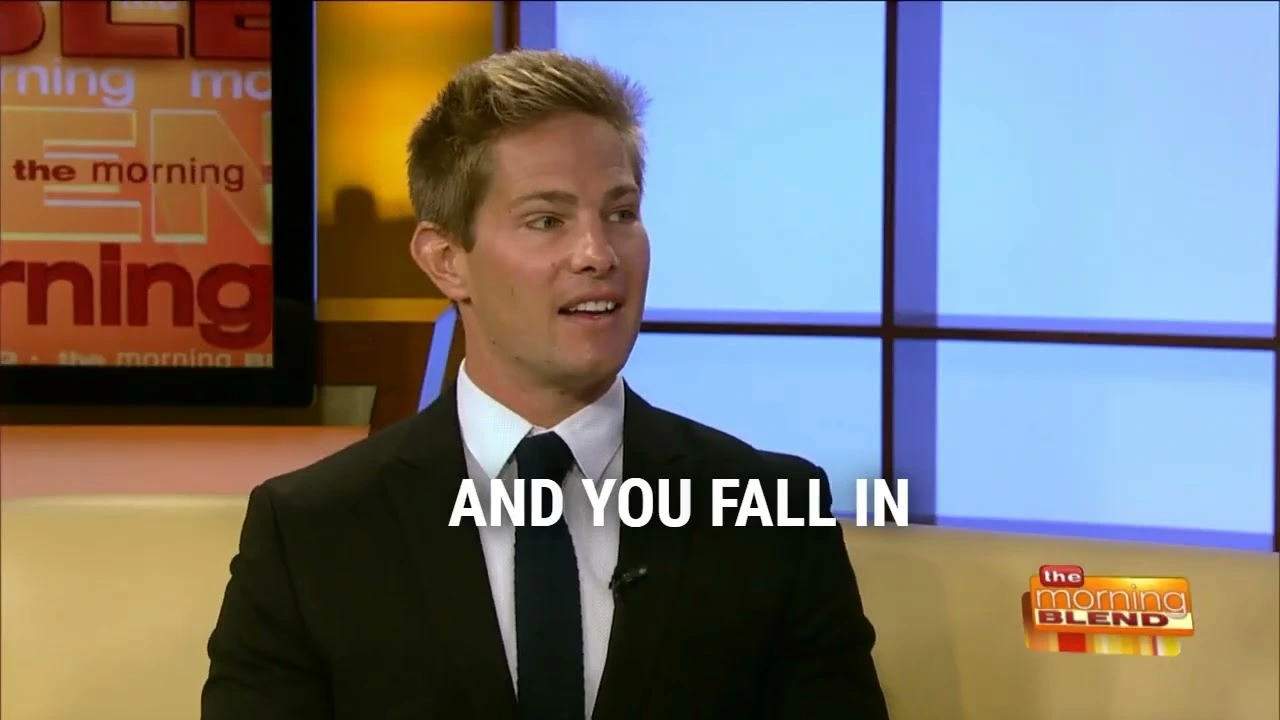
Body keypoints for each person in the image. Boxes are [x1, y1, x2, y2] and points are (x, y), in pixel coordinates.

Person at [201, 49, 889, 720]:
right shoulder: (313, 531)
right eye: (547, 221)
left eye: (620, 213)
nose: (598, 254)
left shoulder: (770, 514)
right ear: (446, 261)